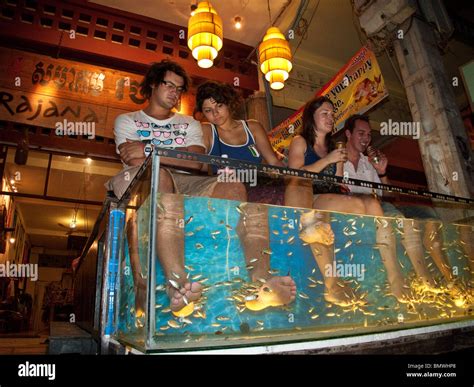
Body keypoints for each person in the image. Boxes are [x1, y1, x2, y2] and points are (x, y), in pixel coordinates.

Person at [108, 60, 246, 318]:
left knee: (233, 185)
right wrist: (172, 155)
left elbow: (196, 161)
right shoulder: (126, 120)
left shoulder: (190, 123)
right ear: (151, 85)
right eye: (168, 84)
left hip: (187, 178)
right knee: (159, 175)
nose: (174, 92)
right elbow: (135, 161)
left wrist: (149, 148)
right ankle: (177, 282)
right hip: (140, 179)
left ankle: (225, 277)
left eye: (179, 88)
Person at [286, 96, 410, 305]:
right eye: (324, 113)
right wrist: (329, 160)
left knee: (372, 204)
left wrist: (338, 164)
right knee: (320, 211)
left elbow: (336, 183)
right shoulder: (301, 142)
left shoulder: (334, 146)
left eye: (332, 114)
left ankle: (393, 275)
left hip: (328, 195)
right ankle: (331, 283)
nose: (330, 117)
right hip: (306, 195)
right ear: (311, 117)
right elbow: (294, 175)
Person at [194, 81, 297, 311]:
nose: (214, 114)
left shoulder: (253, 127)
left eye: (218, 106)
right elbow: (199, 170)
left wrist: (290, 169)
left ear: (229, 104)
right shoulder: (206, 130)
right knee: (248, 205)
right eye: (208, 110)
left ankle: (261, 284)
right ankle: (259, 283)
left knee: (281, 194)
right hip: (225, 191)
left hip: (256, 185)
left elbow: (273, 162)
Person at [343, 114, 465, 290]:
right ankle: (424, 278)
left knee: (431, 216)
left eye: (369, 134)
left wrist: (383, 172)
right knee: (400, 218)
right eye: (361, 133)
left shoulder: (369, 162)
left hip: (382, 203)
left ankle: (448, 276)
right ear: (348, 134)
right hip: (361, 206)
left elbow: (391, 195)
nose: (366, 139)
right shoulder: (338, 158)